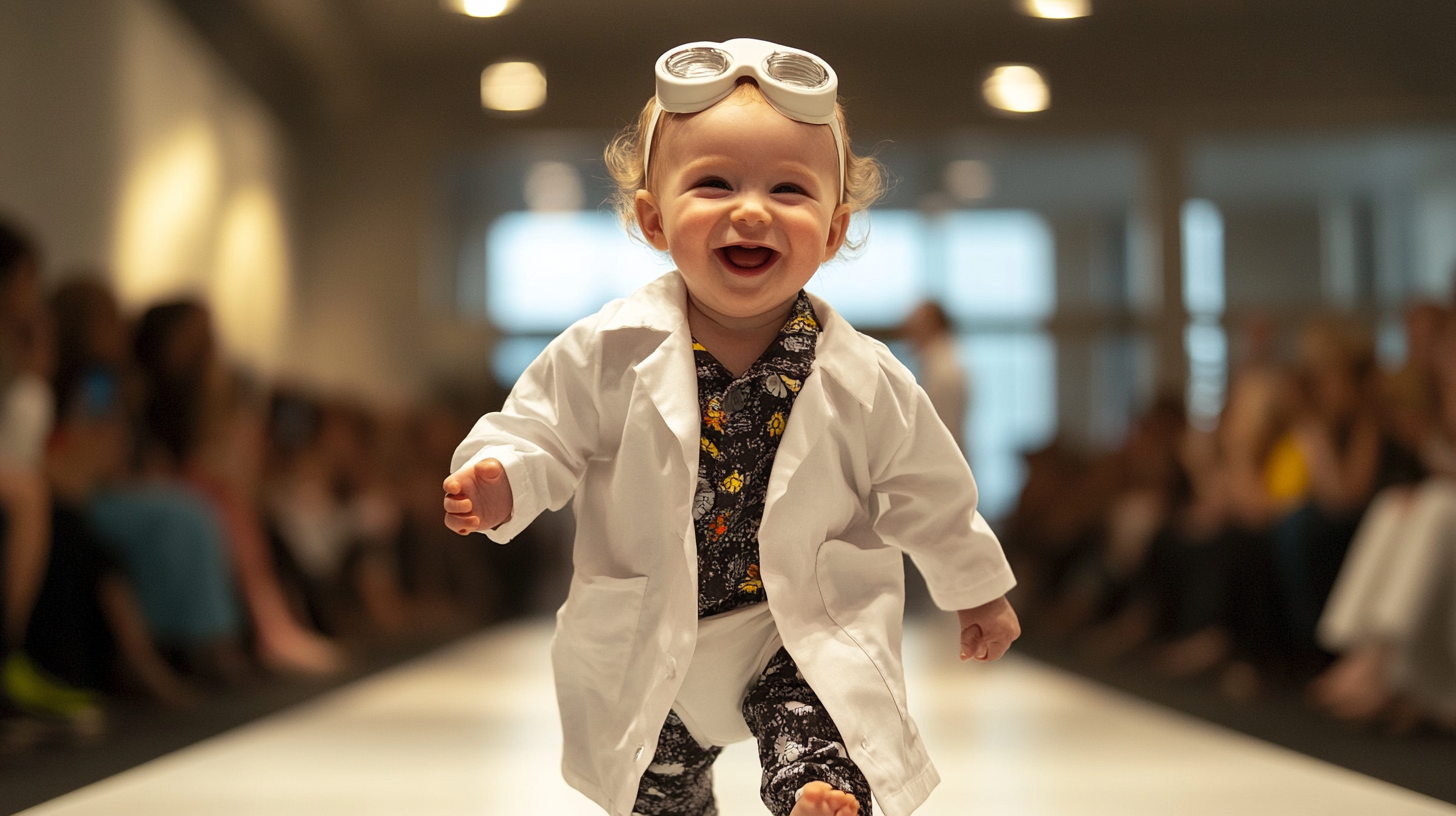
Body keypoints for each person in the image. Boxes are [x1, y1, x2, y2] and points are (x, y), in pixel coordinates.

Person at [444, 40, 1019, 816]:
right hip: (659, 626)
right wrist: (502, 477)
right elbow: (541, 429)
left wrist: (975, 587)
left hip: (794, 624)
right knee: (659, 788)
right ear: (653, 219)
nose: (751, 210)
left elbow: (926, 486)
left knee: (820, 731)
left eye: (789, 189)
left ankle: (817, 793)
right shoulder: (605, 351)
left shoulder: (867, 374)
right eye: (714, 183)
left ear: (834, 230)